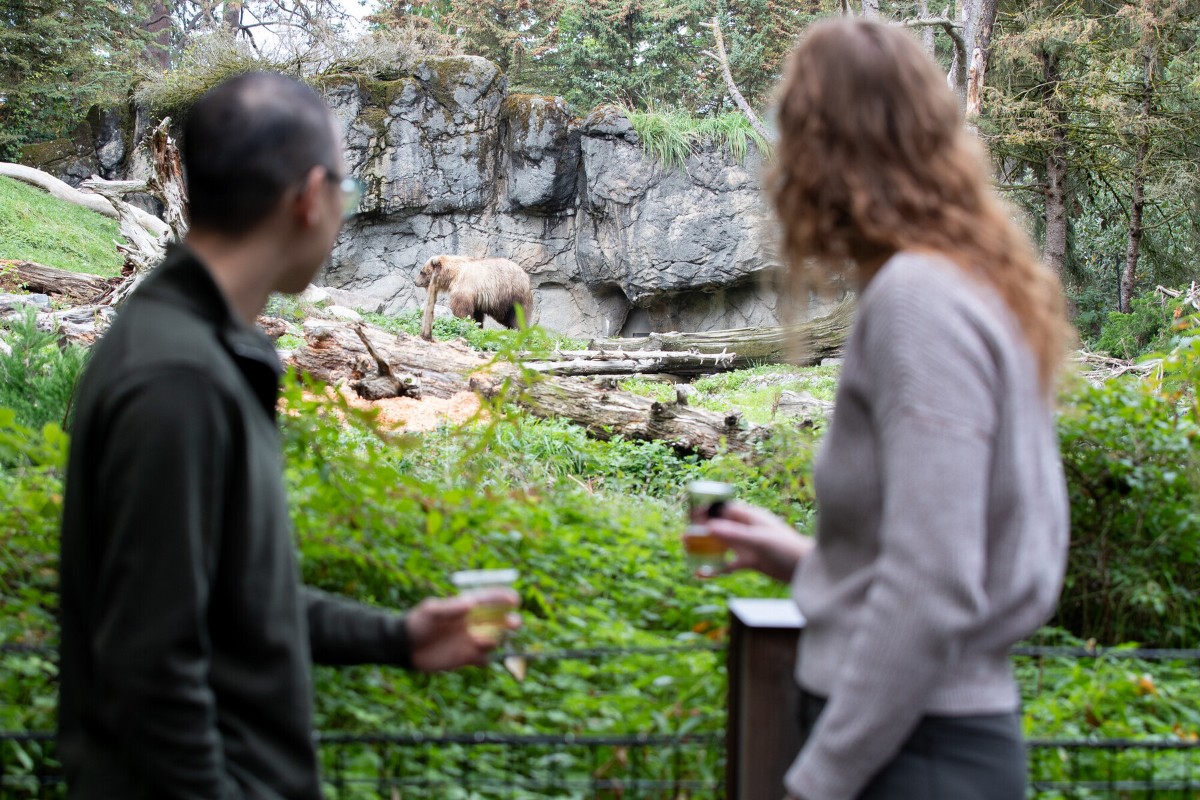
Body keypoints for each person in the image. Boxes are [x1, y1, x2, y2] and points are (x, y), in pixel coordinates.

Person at [58, 72, 518, 800]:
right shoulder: (176, 378)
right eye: (346, 192)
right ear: (308, 197)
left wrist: (397, 638)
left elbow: (230, 602)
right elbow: (151, 682)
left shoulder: (202, 345)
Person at [702, 19, 1073, 800]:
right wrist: (806, 560)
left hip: (912, 757)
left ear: (822, 152)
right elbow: (949, 554)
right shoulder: (972, 284)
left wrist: (820, 779)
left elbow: (936, 582)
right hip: (934, 742)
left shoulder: (918, 301)